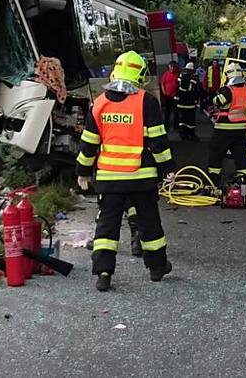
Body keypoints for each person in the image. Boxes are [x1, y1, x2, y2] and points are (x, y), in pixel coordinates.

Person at [76, 50, 175, 291]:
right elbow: (158, 141)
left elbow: (89, 143)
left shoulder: (99, 104)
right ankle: (157, 268)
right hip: (142, 178)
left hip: (109, 179)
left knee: (107, 225)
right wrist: (168, 170)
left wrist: (83, 171)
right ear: (139, 75)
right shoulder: (146, 101)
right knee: (149, 222)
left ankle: (104, 272)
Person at [207, 62, 246, 188]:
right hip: (241, 130)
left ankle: (214, 185)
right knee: (241, 158)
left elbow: (218, 101)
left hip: (224, 130)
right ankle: (243, 187)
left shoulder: (227, 90)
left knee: (215, 156)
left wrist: (216, 97)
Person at [176, 62, 199, 141]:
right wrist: (196, 101)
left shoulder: (180, 77)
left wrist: (176, 99)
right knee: (190, 120)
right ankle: (191, 135)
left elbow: (177, 88)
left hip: (180, 102)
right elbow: (196, 91)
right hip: (190, 103)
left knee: (182, 119)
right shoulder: (194, 79)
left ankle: (183, 134)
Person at [159, 61, 179, 132]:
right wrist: (164, 92)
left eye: (173, 67)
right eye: (171, 67)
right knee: (167, 112)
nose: (172, 68)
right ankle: (166, 126)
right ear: (169, 67)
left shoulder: (177, 74)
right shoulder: (166, 74)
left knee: (176, 112)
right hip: (167, 96)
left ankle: (176, 126)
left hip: (175, 96)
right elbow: (162, 83)